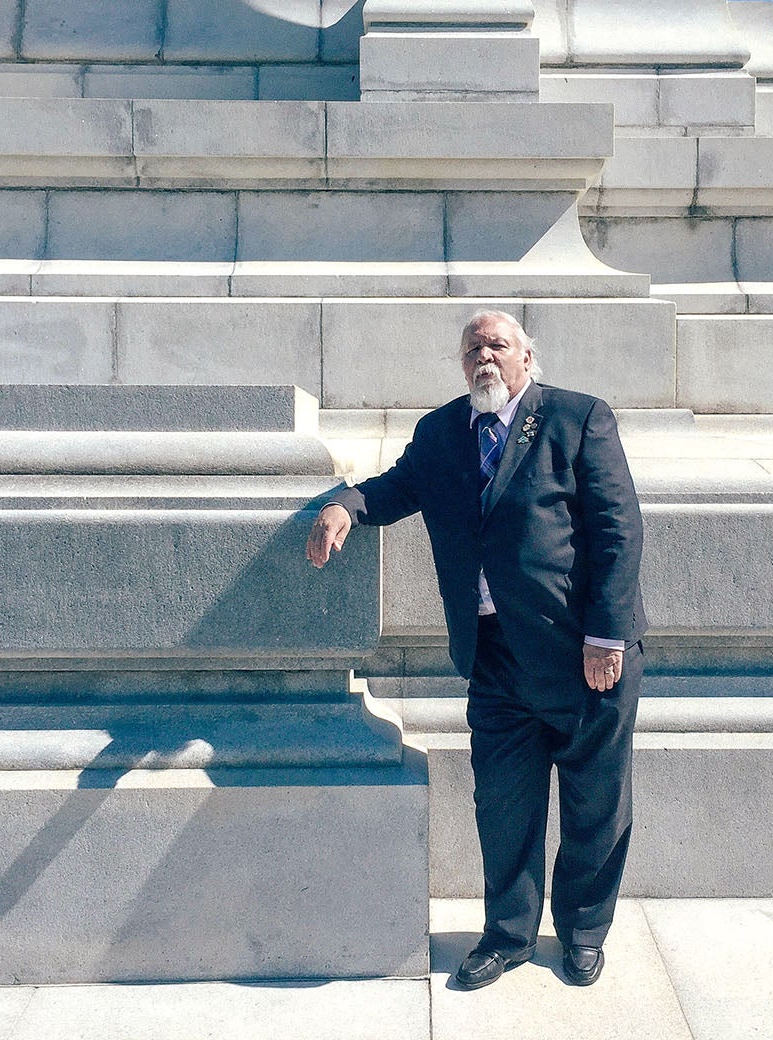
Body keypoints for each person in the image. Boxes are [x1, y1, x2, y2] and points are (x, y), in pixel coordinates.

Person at [306, 310, 646, 989]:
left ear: (527, 357)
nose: (483, 357)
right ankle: (509, 934)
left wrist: (606, 635)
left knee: (593, 802)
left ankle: (583, 932)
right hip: (492, 656)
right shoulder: (440, 433)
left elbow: (618, 531)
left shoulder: (576, 419)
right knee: (503, 802)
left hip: (581, 653)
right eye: (472, 348)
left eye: (497, 345)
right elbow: (396, 488)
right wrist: (344, 504)